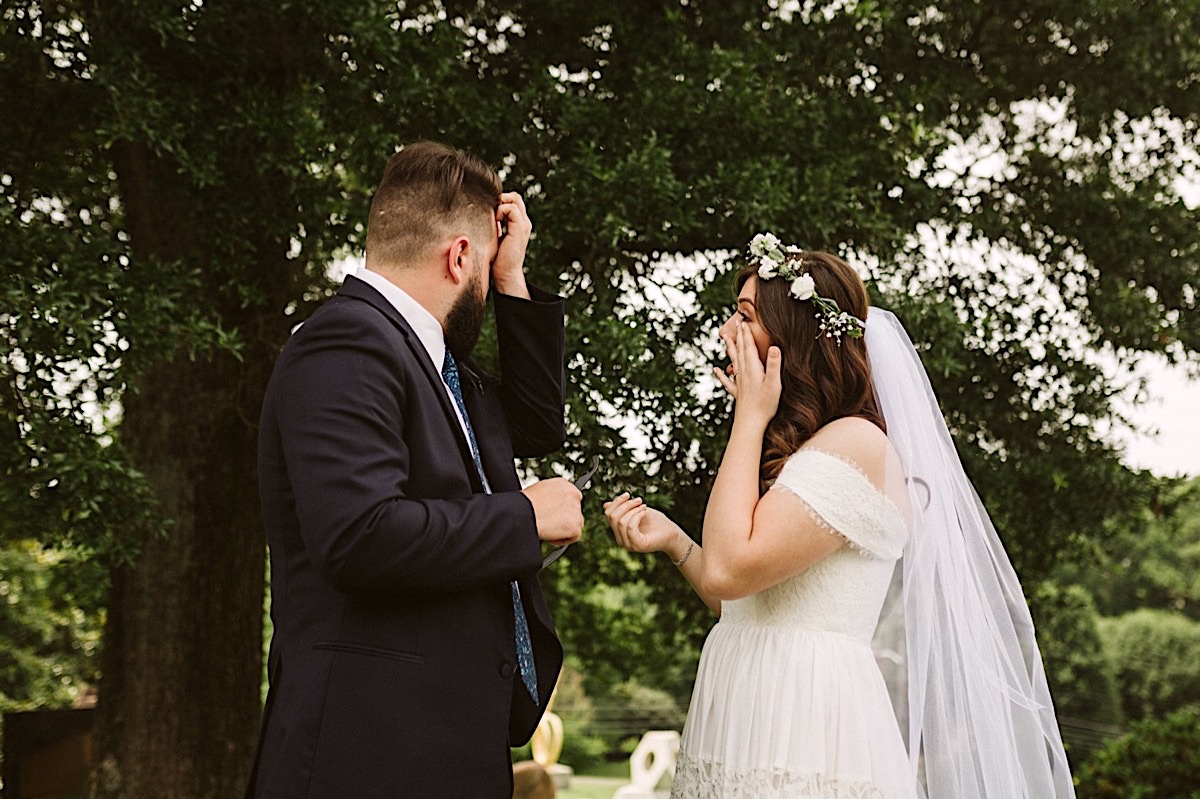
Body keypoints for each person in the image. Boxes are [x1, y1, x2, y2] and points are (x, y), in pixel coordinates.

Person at [605, 234, 1076, 798]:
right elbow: (741, 597)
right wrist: (676, 541)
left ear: (792, 337)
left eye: (746, 315)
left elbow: (732, 569)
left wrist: (749, 418)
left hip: (804, 718)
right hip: (744, 702)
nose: (728, 331)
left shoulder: (856, 443)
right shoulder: (803, 449)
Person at [246, 141, 584, 798]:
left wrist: (511, 277)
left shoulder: (444, 369)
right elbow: (359, 535)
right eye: (486, 264)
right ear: (460, 257)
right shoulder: (344, 340)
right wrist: (525, 515)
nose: (486, 279)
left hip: (439, 747)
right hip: (367, 752)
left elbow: (538, 425)